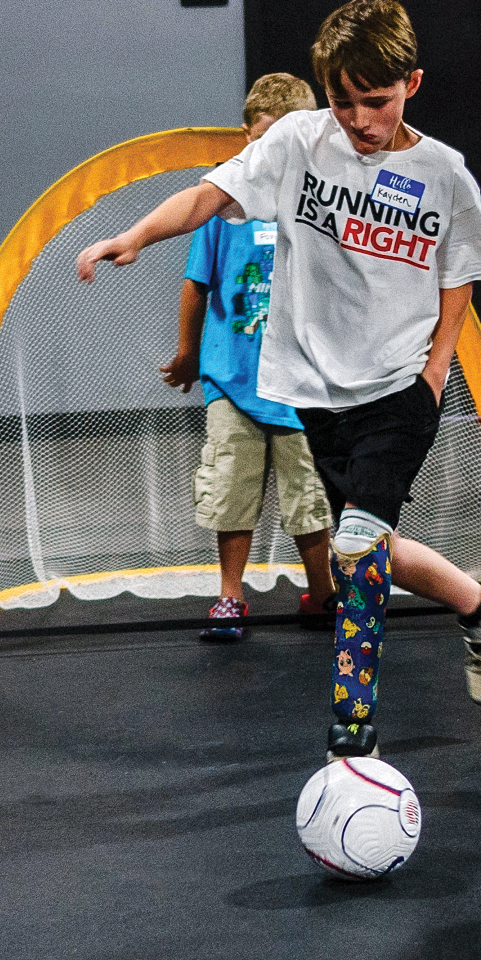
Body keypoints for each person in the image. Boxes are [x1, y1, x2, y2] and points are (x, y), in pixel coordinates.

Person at [77, 0, 481, 762]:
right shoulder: (296, 141)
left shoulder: (443, 173)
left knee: (355, 548)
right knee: (372, 543)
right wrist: (137, 235)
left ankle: (352, 736)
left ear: (412, 82)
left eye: (376, 101)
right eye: (343, 101)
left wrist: (437, 365)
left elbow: (461, 272)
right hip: (315, 389)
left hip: (398, 388)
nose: (358, 119)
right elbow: (208, 195)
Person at [160, 73, 336, 640]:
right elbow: (196, 284)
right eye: (263, 141)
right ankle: (231, 596)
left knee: (310, 498)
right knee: (230, 491)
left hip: (302, 388)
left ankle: (325, 593)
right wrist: (189, 355)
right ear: (246, 136)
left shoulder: (321, 202)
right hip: (233, 380)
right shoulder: (222, 202)